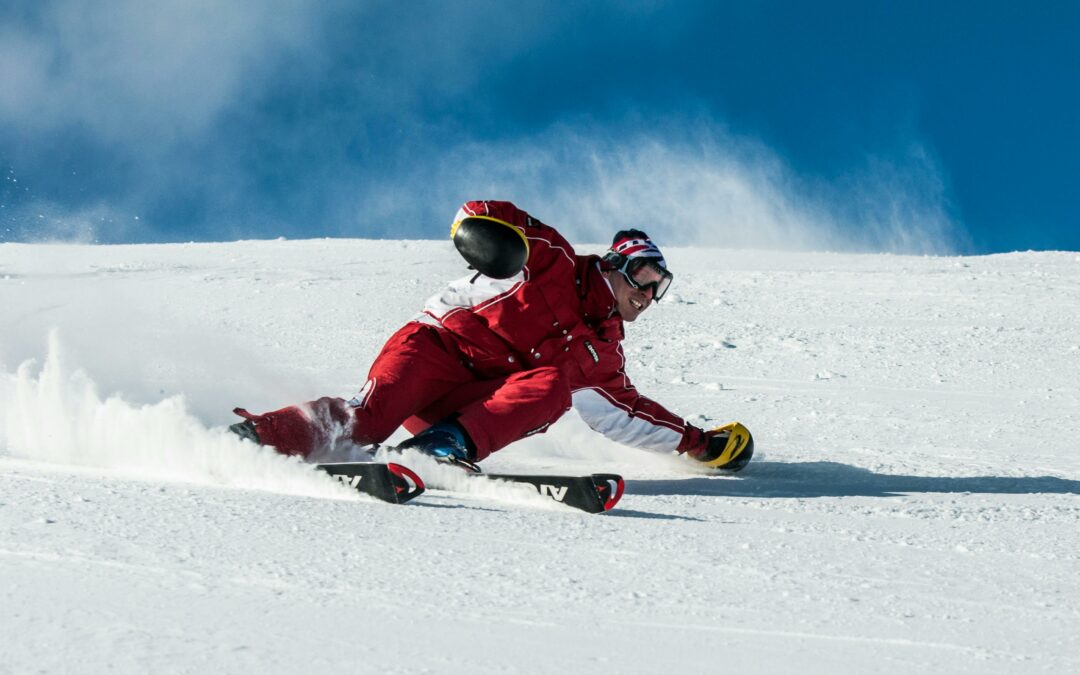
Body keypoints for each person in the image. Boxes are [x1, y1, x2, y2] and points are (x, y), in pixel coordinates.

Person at [230, 200, 753, 472]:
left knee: (552, 387)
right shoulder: (553, 260)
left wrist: (699, 444)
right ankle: (262, 438)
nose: (648, 294)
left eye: (658, 288)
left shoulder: (603, 353)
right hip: (434, 351)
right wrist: (488, 242)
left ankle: (438, 450)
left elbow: (627, 415)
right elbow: (483, 212)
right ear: (617, 266)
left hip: (465, 407)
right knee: (368, 419)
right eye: (644, 278)